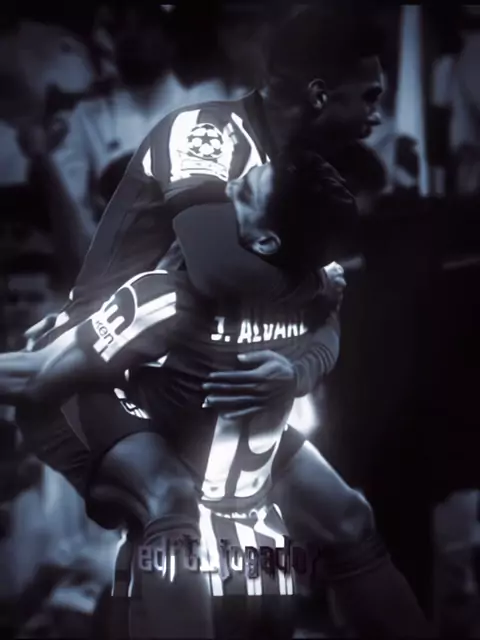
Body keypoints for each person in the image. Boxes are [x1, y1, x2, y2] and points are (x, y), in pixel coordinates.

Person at [13, 7, 433, 638]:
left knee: (344, 523)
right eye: (370, 95)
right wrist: (316, 284)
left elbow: (324, 318)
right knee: (170, 509)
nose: (378, 113)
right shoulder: (207, 135)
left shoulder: (304, 170)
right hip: (120, 363)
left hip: (211, 375)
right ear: (321, 93)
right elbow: (214, 273)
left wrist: (295, 371)